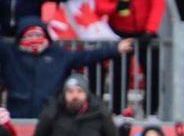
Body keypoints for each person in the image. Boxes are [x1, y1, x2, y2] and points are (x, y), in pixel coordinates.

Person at [0, 16, 131, 119]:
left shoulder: (58, 55)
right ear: (20, 37)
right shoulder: (11, 56)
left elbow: (88, 56)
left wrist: (115, 49)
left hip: (50, 116)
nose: (34, 39)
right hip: (18, 115)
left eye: (38, 35)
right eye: (29, 36)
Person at [94, 0, 165, 113]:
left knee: (152, 73)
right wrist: (116, 7)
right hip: (119, 32)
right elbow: (100, 5)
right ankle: (118, 111)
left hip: (144, 32)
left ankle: (151, 111)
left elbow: (158, 1)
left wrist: (150, 29)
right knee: (119, 74)